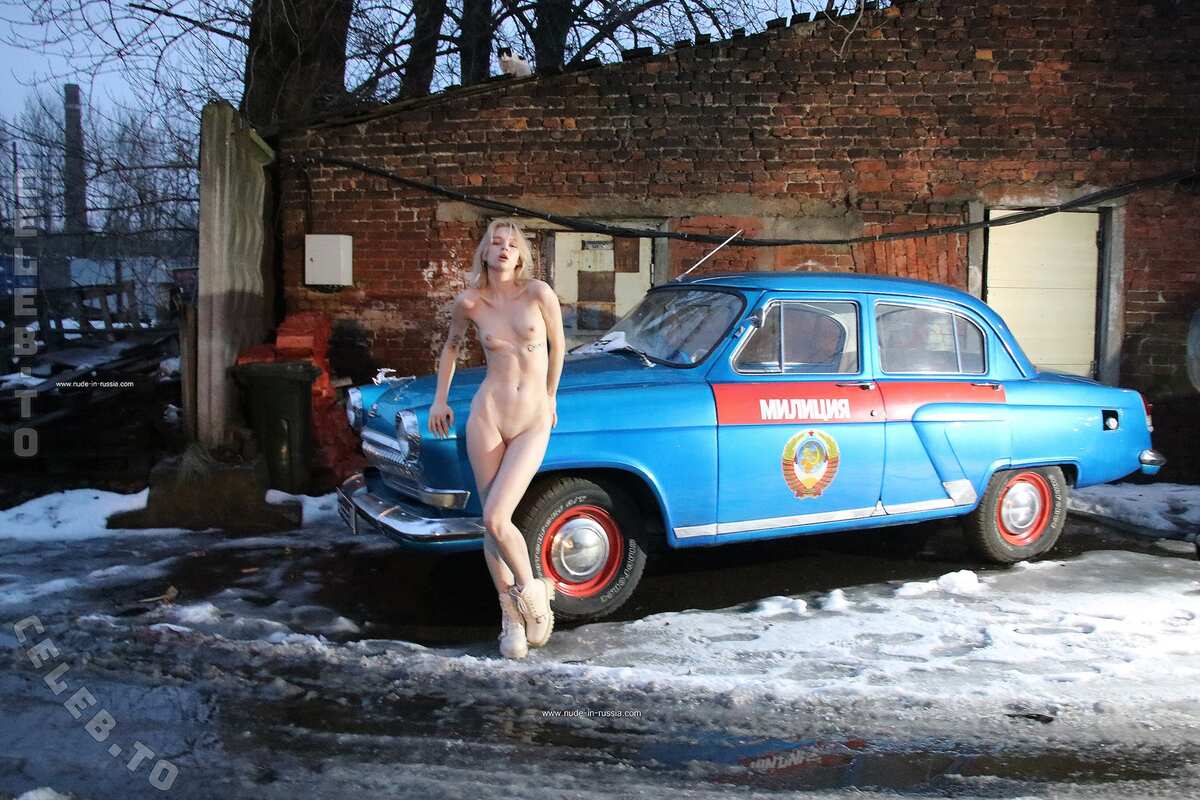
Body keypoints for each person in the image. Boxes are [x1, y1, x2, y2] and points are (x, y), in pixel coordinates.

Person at [427, 219, 566, 659]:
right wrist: (439, 400)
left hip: (532, 419)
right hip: (488, 416)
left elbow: (559, 346)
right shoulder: (469, 302)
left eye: (512, 244)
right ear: (484, 253)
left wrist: (551, 396)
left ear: (520, 255)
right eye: (496, 243)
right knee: (491, 523)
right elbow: (451, 348)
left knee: (497, 516)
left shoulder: (538, 293)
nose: (504, 249)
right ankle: (513, 616)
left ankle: (532, 595)